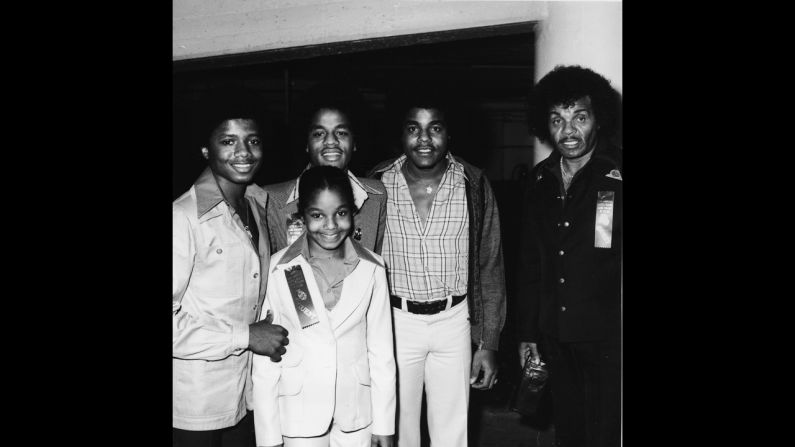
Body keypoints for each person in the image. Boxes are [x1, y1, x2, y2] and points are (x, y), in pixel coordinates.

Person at [368, 90, 507, 447]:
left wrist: (488, 341)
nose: (424, 139)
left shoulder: (472, 182)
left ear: (449, 135)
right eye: (414, 129)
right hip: (396, 322)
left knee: (452, 433)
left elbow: (490, 265)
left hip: (454, 320)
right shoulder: (376, 184)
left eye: (435, 129)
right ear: (401, 135)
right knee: (396, 431)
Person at [173, 87, 291, 447]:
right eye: (229, 141)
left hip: (246, 395)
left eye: (252, 140)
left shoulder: (256, 205)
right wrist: (245, 337)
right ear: (206, 150)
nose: (244, 152)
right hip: (196, 406)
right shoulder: (183, 217)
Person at [252, 166, 396, 447]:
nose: (330, 226)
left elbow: (382, 354)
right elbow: (266, 361)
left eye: (341, 213)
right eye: (317, 215)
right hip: (298, 417)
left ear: (353, 213)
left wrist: (385, 423)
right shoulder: (280, 269)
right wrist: (268, 437)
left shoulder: (374, 268)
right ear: (302, 215)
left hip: (356, 416)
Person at [517, 65, 622, 447]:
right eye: (557, 119)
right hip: (554, 337)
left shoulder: (617, 177)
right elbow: (530, 264)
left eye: (579, 117)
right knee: (570, 433)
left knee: (606, 435)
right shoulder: (540, 180)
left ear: (599, 119)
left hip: (610, 338)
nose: (569, 130)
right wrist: (527, 332)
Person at [263, 86, 387, 254]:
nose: (331, 141)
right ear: (306, 144)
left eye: (341, 133)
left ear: (355, 142)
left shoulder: (377, 196)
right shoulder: (270, 200)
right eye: (319, 134)